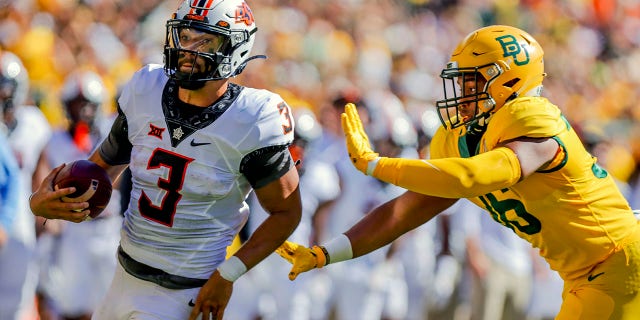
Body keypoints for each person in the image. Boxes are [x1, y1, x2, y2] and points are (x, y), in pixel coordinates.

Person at [277, 25, 640, 319]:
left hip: (618, 261)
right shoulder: (455, 138)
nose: (462, 92)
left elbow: (474, 176)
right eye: (461, 80)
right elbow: (402, 213)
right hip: (582, 274)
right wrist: (326, 253)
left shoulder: (531, 116)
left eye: (473, 81)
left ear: (509, 81)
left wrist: (376, 164)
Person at [29, 1, 302, 320]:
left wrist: (228, 274)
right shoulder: (146, 89)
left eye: (205, 41)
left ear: (235, 49)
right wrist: (44, 203)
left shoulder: (252, 119)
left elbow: (286, 212)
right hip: (122, 278)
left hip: (185, 293)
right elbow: (99, 171)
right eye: (185, 36)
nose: (188, 49)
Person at [36, 70, 122, 320]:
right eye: (77, 103)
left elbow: (120, 179)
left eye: (88, 104)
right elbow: (41, 181)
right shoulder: (54, 140)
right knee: (72, 305)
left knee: (110, 305)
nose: (84, 110)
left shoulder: (111, 134)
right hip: (71, 228)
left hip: (107, 228)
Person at [0, 50, 50, 320]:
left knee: (16, 304)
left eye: (5, 88)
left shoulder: (33, 123)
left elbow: (40, 173)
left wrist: (44, 217)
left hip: (20, 222)